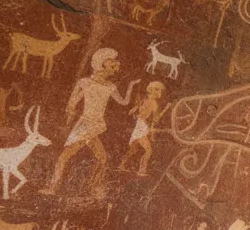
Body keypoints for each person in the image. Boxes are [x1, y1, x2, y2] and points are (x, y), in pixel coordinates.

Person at [43, 48, 138, 194]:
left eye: (114, 62)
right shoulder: (85, 82)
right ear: (102, 63)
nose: (115, 65)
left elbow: (124, 102)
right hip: (86, 125)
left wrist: (131, 86)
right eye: (111, 61)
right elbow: (71, 103)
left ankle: (92, 187)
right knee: (67, 156)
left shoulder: (110, 86)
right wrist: (68, 119)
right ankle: (53, 187)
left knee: (101, 158)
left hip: (96, 125)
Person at [117, 80, 168, 175]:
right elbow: (155, 119)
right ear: (152, 90)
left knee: (133, 149)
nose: (160, 93)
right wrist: (163, 111)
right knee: (148, 150)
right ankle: (142, 170)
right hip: (141, 126)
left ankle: (121, 164)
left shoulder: (144, 101)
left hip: (140, 125)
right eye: (159, 90)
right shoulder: (153, 103)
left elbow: (133, 112)